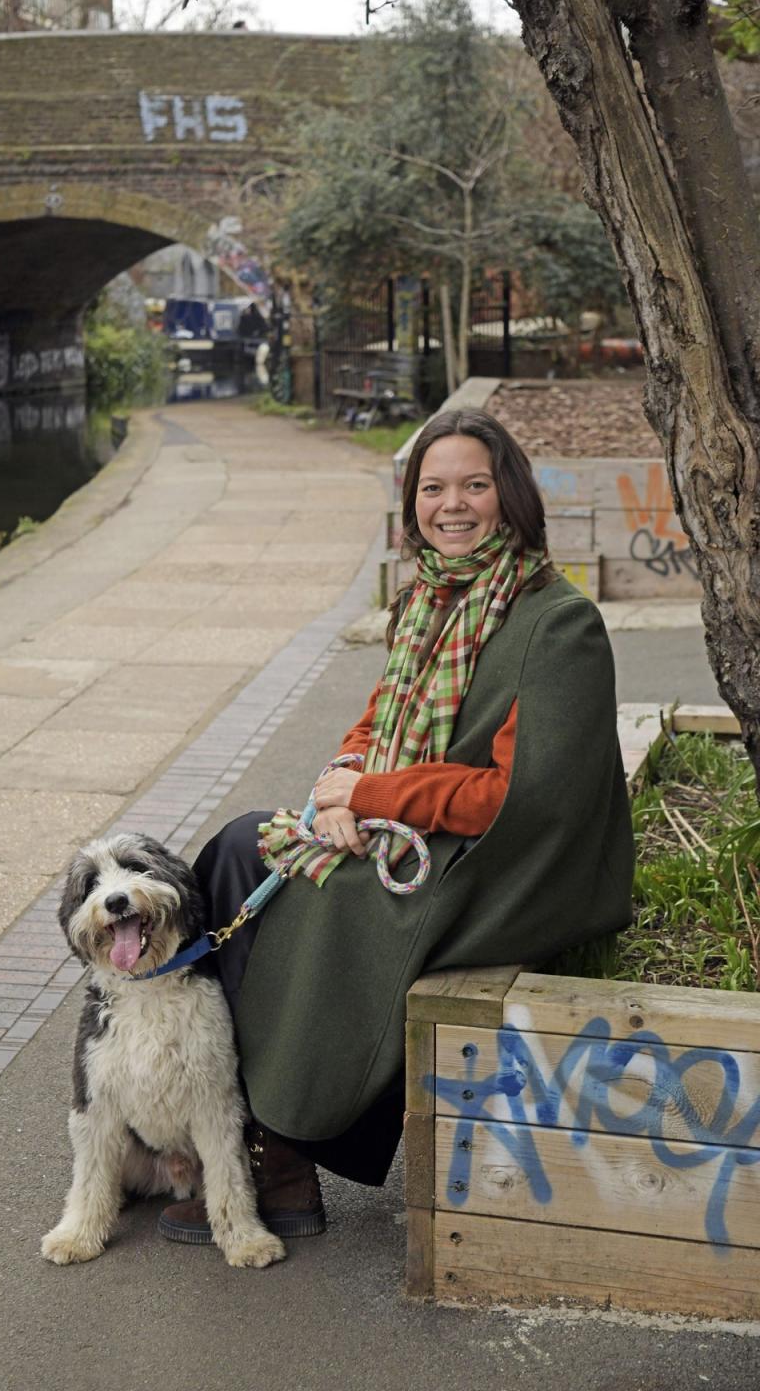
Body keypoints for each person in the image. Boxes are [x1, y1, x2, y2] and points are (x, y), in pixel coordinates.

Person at [158, 407, 635, 1245]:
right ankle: (244, 1141)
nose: (453, 505)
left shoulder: (558, 623)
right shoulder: (428, 603)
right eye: (433, 487)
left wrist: (372, 797)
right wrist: (340, 786)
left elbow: (522, 800)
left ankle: (283, 1152)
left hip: (508, 869)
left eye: (475, 485)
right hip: (430, 833)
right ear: (411, 500)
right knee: (237, 850)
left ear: (511, 495)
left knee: (307, 907)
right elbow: (379, 721)